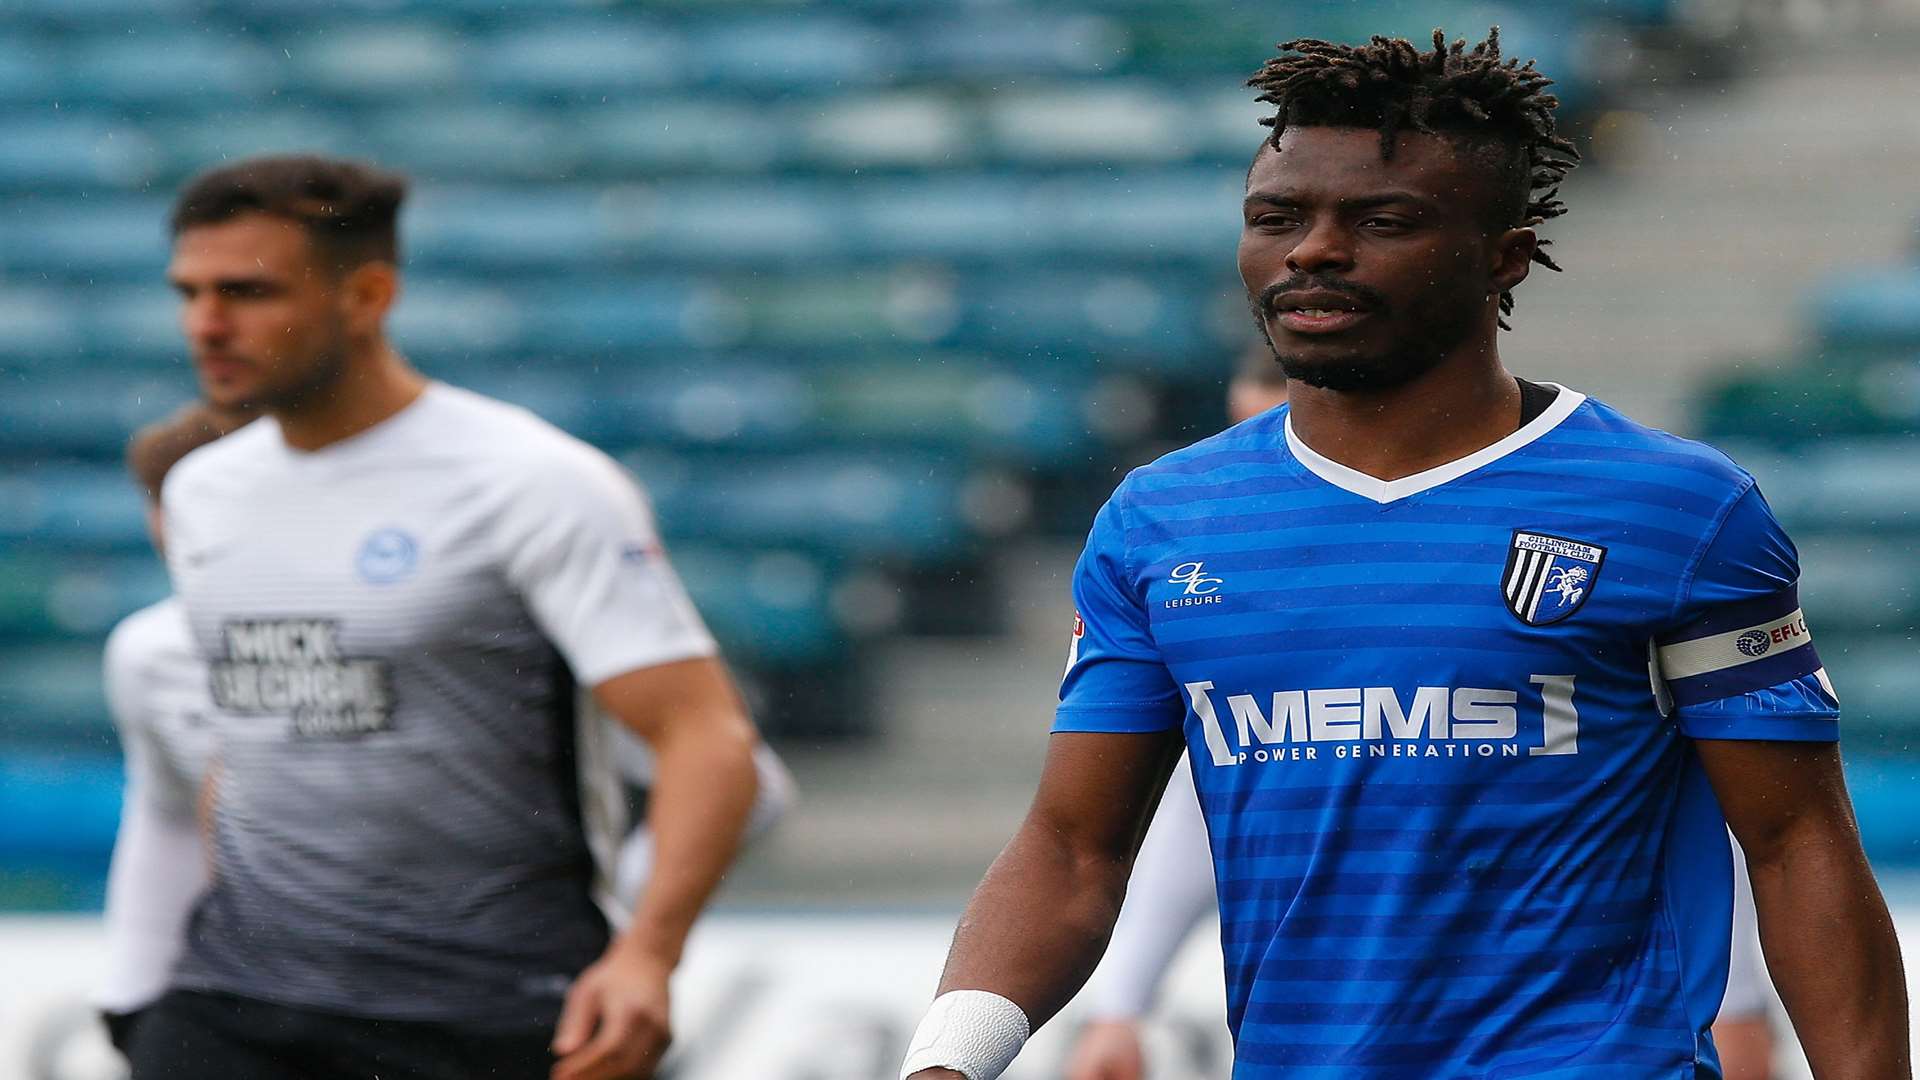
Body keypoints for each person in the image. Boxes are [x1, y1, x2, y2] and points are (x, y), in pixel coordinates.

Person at [904, 28, 1908, 1080]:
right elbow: (1071, 850)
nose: (1313, 251)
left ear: (1504, 257)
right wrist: (947, 1061)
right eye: (1277, 218)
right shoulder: (1164, 519)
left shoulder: (1675, 508)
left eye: (1380, 221)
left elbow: (1798, 848)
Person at [134, 154, 765, 1080]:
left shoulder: (531, 483)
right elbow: (252, 737)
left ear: (368, 295)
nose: (207, 325)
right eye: (188, 293)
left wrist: (648, 955)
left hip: (486, 1006)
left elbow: (705, 736)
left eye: (247, 292)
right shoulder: (202, 493)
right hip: (240, 1002)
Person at [1063, 355, 1783, 1080]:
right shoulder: (1191, 556)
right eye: (1260, 431)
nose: (1285, 454)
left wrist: (1740, 1003)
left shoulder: (1619, 515)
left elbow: (1741, 822)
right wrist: (1117, 1005)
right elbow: (1144, 832)